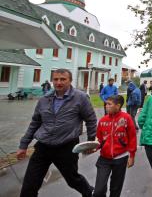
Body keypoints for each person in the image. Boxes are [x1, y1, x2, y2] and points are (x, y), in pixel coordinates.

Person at [17, 69, 97, 197]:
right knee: (29, 185)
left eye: (63, 79)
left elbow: (91, 120)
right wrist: (23, 145)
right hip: (43, 146)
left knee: (73, 179)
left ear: (70, 81)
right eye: (56, 79)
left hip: (66, 147)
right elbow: (35, 123)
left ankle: (91, 193)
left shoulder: (80, 98)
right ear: (52, 80)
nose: (59, 82)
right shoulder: (44, 99)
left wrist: (91, 143)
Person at [93, 95, 137, 197]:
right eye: (106, 104)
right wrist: (92, 147)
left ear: (118, 106)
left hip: (120, 159)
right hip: (104, 159)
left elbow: (132, 138)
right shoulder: (103, 120)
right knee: (98, 191)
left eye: (109, 104)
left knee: (115, 189)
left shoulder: (127, 118)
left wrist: (132, 156)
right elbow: (99, 139)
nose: (106, 106)